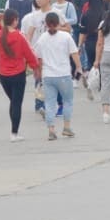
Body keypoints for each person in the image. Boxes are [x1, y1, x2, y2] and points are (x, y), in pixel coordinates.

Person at [0, 8, 41, 142]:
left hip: (3, 74)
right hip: (18, 74)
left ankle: (14, 131)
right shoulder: (19, 36)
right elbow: (29, 53)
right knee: (16, 103)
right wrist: (36, 68)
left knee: (13, 102)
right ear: (14, 21)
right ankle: (14, 132)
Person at [33, 12, 80, 141]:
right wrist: (79, 68)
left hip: (48, 75)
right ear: (58, 22)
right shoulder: (66, 36)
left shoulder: (42, 38)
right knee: (67, 101)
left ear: (46, 24)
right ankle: (66, 127)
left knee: (49, 103)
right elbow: (74, 53)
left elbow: (39, 59)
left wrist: (40, 74)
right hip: (64, 74)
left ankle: (51, 130)